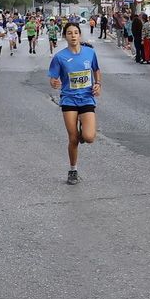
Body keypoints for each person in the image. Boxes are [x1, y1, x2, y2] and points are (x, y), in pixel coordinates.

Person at [49, 22, 102, 184]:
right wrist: (54, 83)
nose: (73, 36)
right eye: (69, 33)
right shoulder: (59, 57)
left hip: (86, 98)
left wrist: (98, 84)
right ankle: (73, 170)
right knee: (73, 139)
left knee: (89, 137)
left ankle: (83, 128)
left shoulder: (90, 53)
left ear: (80, 35)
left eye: (76, 33)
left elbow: (96, 70)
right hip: (69, 99)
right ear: (65, 36)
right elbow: (53, 78)